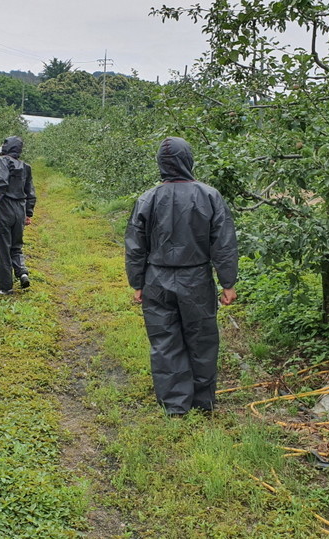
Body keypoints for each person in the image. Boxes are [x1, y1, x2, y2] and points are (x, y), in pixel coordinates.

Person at [124, 137, 238, 416]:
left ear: (161, 164)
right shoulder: (209, 196)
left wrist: (137, 283)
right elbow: (223, 243)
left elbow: (135, 246)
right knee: (202, 339)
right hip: (197, 278)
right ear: (189, 160)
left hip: (157, 279)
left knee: (165, 341)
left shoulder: (147, 199)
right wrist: (228, 282)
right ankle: (203, 402)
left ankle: (175, 405)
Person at [0, 135, 36, 295]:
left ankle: (5, 286)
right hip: (20, 209)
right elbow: (30, 192)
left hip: (5, 207)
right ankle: (22, 272)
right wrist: (28, 213)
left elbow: (1, 183)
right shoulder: (25, 166)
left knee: (2, 247)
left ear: (6, 147)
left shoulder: (0, 162)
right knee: (16, 245)